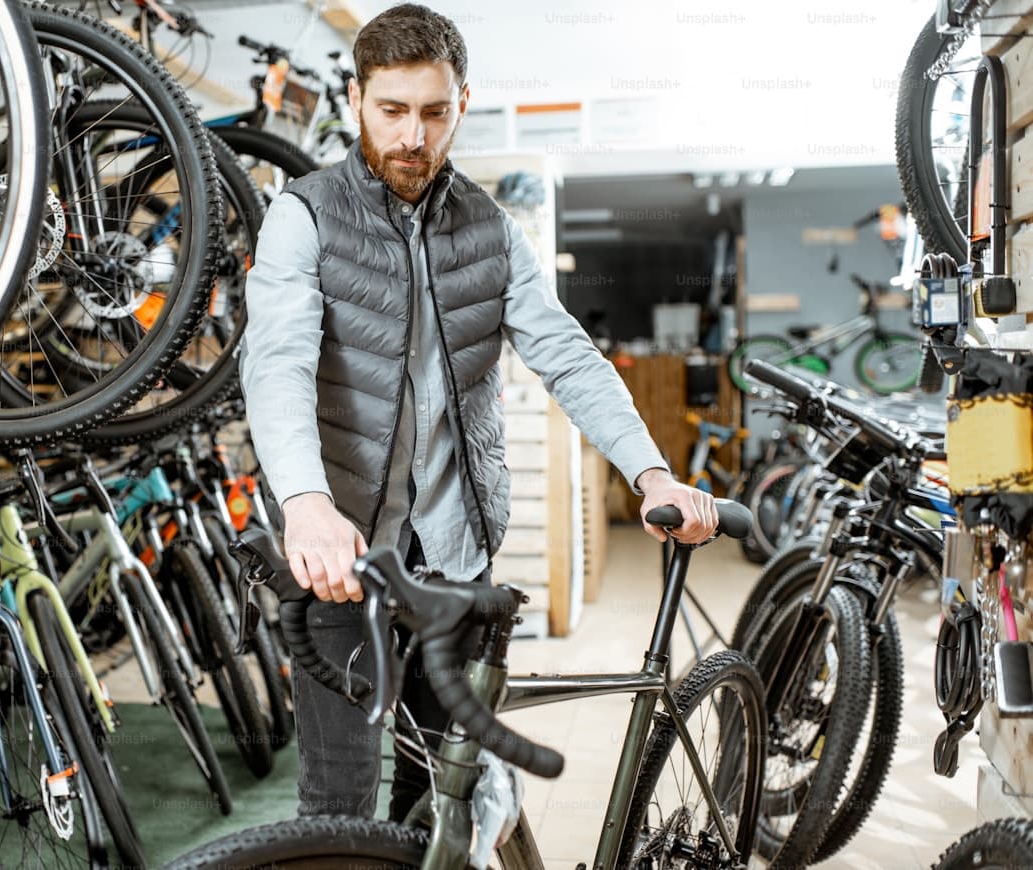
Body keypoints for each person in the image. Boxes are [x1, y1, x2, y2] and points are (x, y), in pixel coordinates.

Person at [238, 2, 718, 823]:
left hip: (453, 555)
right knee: (340, 795)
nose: (412, 138)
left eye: (434, 112)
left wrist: (650, 471)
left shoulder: (493, 230)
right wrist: (306, 505)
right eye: (392, 112)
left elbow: (567, 355)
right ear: (357, 101)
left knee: (442, 789)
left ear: (463, 103)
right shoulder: (305, 215)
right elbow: (275, 364)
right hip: (338, 554)